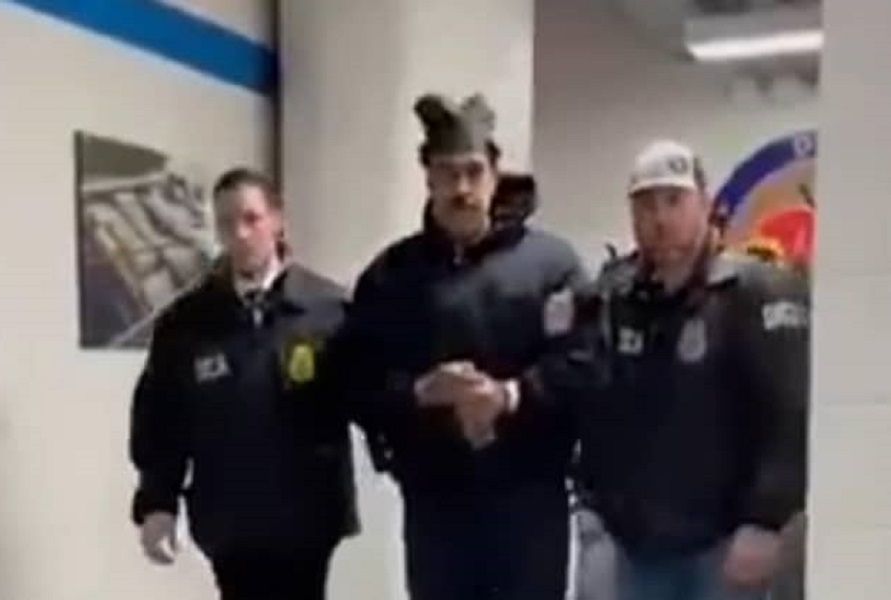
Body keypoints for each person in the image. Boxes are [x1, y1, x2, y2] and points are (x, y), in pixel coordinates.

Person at [332, 93, 588, 600]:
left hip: (530, 502)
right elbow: (353, 380)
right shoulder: (390, 277)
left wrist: (510, 395)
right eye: (448, 174)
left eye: (473, 172)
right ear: (428, 177)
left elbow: (583, 366)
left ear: (495, 174)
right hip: (436, 505)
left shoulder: (552, 266)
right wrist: (418, 392)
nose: (462, 189)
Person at [572, 140, 809, 600]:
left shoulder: (756, 290)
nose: (660, 218)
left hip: (727, 545)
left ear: (704, 203)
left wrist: (766, 519)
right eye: (646, 205)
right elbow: (597, 403)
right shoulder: (615, 298)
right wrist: (593, 504)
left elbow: (790, 414)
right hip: (636, 544)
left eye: (674, 200)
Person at [129, 168, 358, 600]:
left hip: (307, 517)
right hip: (230, 519)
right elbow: (161, 418)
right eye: (226, 223)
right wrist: (157, 502)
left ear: (277, 220)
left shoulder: (327, 308)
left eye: (252, 219)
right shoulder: (186, 324)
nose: (240, 234)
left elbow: (370, 395)